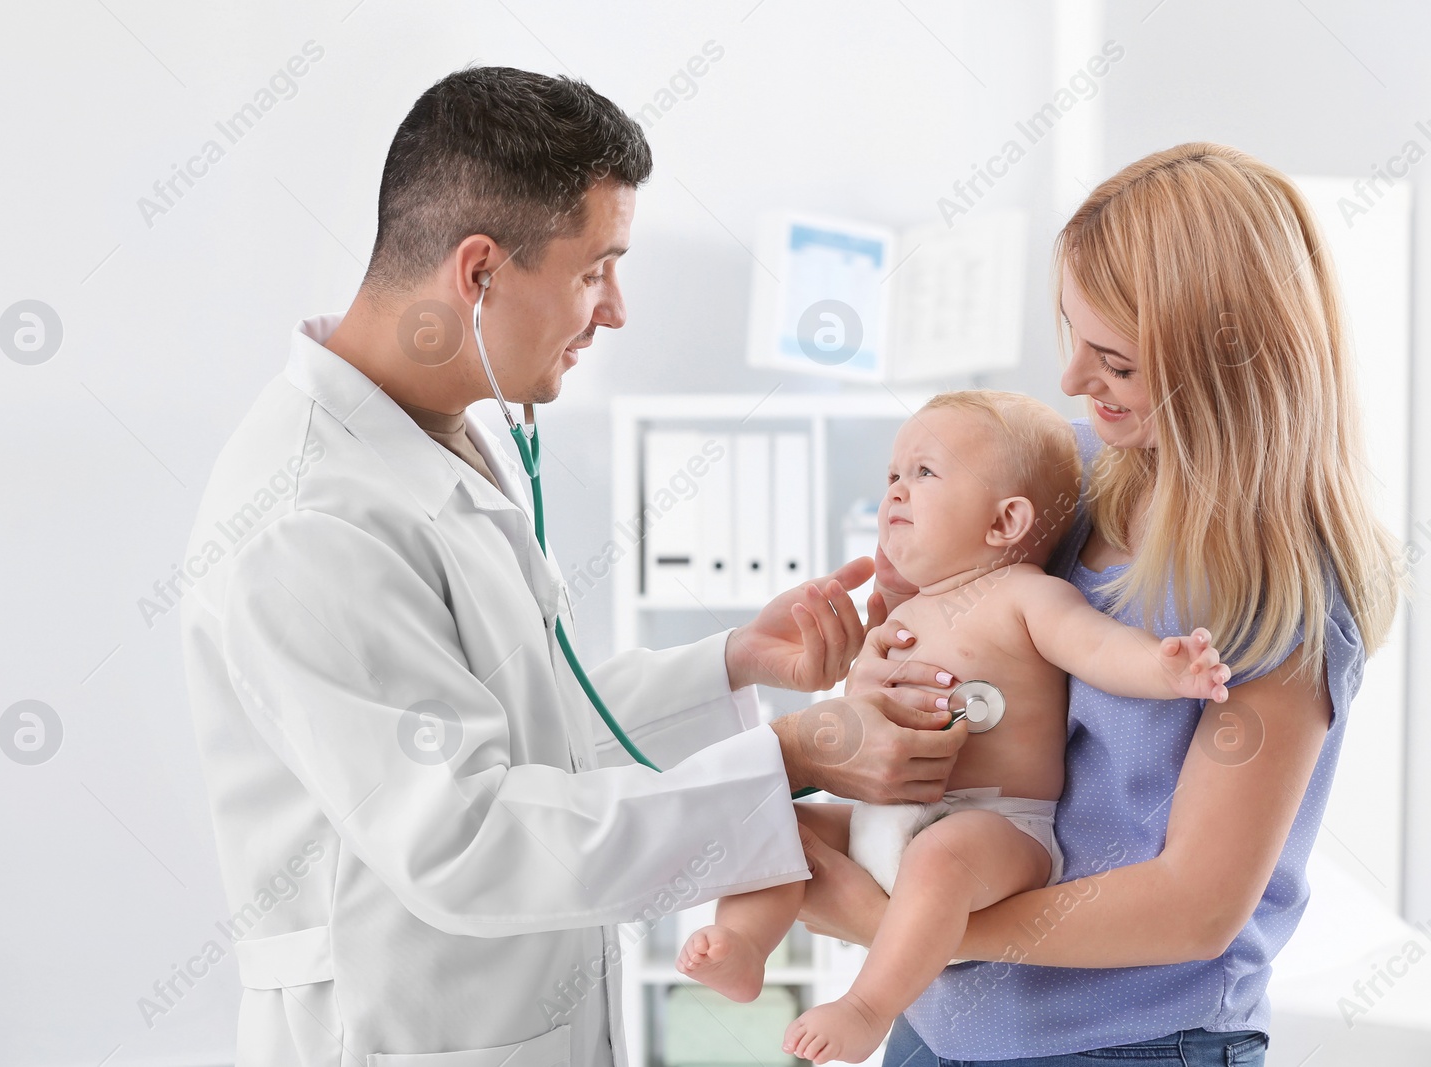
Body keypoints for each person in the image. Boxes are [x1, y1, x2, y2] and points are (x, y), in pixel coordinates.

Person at [178, 66, 967, 1066]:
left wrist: (734, 660)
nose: (616, 309)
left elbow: (527, 724)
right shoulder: (306, 519)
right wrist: (794, 756)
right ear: (478, 275)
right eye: (596, 268)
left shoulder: (436, 433)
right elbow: (466, 834)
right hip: (402, 1031)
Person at [793, 143, 1402, 1066]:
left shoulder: (1279, 599)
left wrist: (915, 925)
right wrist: (881, 672)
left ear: (1227, 368)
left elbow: (1194, 907)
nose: (1073, 380)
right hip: (935, 1024)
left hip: (1128, 1044)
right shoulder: (1059, 480)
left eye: (1114, 362)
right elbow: (914, 621)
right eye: (1071, 336)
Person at [674, 390, 1231, 1064]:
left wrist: (1166, 667)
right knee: (763, 819)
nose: (896, 493)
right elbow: (864, 727)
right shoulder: (903, 612)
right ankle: (743, 945)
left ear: (1005, 521)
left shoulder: (1026, 594)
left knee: (940, 862)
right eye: (892, 476)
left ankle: (867, 1004)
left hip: (996, 826)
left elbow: (1097, 647)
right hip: (882, 823)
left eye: (924, 473)